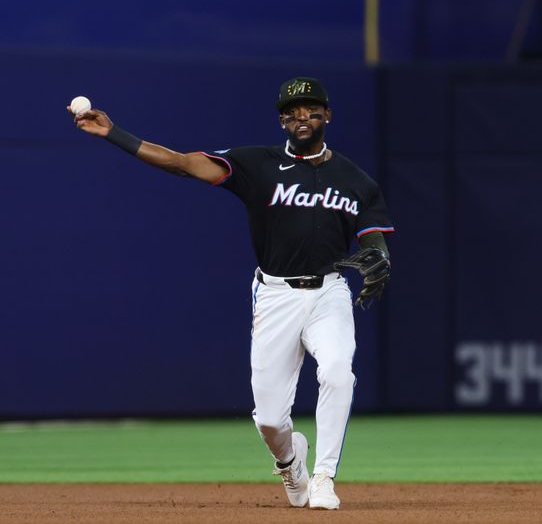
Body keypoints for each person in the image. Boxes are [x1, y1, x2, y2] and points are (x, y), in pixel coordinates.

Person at [68, 77, 394, 510]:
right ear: (282, 120)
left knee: (337, 371)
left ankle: (323, 478)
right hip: (275, 296)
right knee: (271, 422)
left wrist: (379, 256)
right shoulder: (257, 165)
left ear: (327, 115)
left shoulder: (357, 181)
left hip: (329, 292)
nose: (303, 117)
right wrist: (115, 133)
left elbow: (375, 240)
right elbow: (184, 164)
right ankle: (291, 463)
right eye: (293, 111)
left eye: (312, 109)